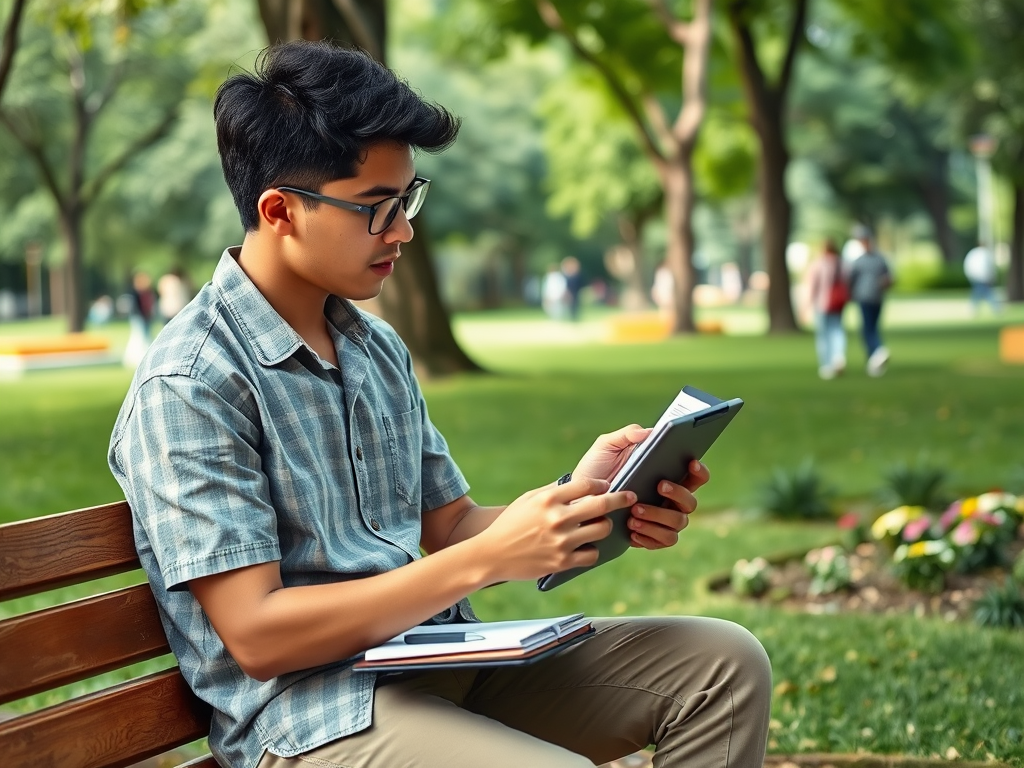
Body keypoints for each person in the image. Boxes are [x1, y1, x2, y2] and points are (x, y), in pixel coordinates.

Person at [107, 42, 771, 768]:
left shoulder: (372, 346)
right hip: (308, 722)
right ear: (280, 211)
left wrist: (587, 500)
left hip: (436, 669)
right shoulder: (193, 383)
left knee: (723, 667)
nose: (403, 230)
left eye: (406, 199)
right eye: (375, 209)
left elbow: (451, 524)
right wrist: (486, 559)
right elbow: (260, 635)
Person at [846, 228, 892, 377]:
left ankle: (877, 352)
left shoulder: (860, 261)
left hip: (866, 297)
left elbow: (850, 280)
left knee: (868, 328)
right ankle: (874, 360)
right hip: (874, 297)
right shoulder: (880, 259)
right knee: (871, 327)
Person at [803, 239, 848, 379]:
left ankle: (827, 365)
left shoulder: (818, 264)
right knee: (837, 330)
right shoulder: (842, 263)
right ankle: (838, 356)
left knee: (823, 335)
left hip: (822, 304)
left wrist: (806, 305)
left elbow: (812, 286)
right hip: (838, 303)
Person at [963, 242, 1000, 316]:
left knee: (978, 293)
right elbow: (989, 267)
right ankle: (996, 308)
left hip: (975, 276)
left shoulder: (973, 253)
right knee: (987, 293)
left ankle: (974, 309)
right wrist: (991, 276)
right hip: (983, 277)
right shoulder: (985, 253)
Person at [560, 256, 585, 321]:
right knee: (569, 305)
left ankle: (575, 317)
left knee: (575, 305)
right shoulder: (566, 276)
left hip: (576, 292)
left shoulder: (577, 275)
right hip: (569, 292)